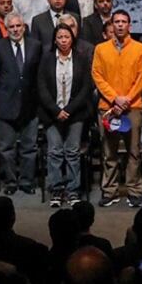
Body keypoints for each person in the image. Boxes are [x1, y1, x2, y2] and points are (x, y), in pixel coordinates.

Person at [92, 9, 142, 208]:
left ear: (129, 25)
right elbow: (97, 75)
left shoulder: (140, 48)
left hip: (132, 107)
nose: (120, 25)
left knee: (134, 151)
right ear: (112, 25)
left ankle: (134, 191)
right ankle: (110, 191)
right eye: (117, 21)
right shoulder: (101, 49)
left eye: (124, 21)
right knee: (109, 152)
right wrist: (114, 98)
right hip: (108, 108)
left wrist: (127, 99)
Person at [38, 24, 93, 207]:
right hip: (52, 114)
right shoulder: (46, 59)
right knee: (55, 152)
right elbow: (41, 87)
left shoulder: (81, 59)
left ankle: (72, 190)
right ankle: (56, 190)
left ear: (72, 39)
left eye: (66, 37)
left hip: (75, 114)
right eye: (60, 37)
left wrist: (69, 109)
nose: (63, 40)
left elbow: (86, 87)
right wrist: (56, 110)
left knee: (72, 152)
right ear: (55, 40)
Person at [0, 13, 42, 196]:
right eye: (11, 27)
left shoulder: (35, 46)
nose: (15, 30)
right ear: (6, 29)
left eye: (18, 26)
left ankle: (27, 181)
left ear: (24, 27)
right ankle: (11, 182)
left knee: (29, 147)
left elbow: (39, 76)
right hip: (5, 105)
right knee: (6, 149)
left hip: (30, 105)